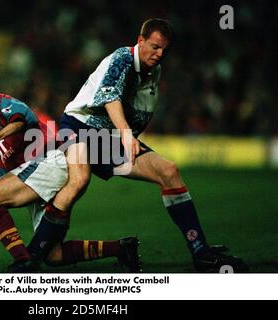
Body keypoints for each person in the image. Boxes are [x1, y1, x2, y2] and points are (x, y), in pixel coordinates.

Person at [42, 18, 248, 272]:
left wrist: (128, 136)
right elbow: (110, 97)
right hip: (78, 127)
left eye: (163, 50)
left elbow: (139, 112)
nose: (158, 54)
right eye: (153, 47)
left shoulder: (153, 71)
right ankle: (36, 251)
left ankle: (201, 252)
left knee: (169, 171)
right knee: (79, 180)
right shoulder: (122, 58)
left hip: (109, 138)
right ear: (140, 41)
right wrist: (127, 135)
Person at [0, 77, 141, 272]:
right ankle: (121, 248)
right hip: (41, 177)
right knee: (53, 255)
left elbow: (22, 119)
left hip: (51, 159)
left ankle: (24, 261)